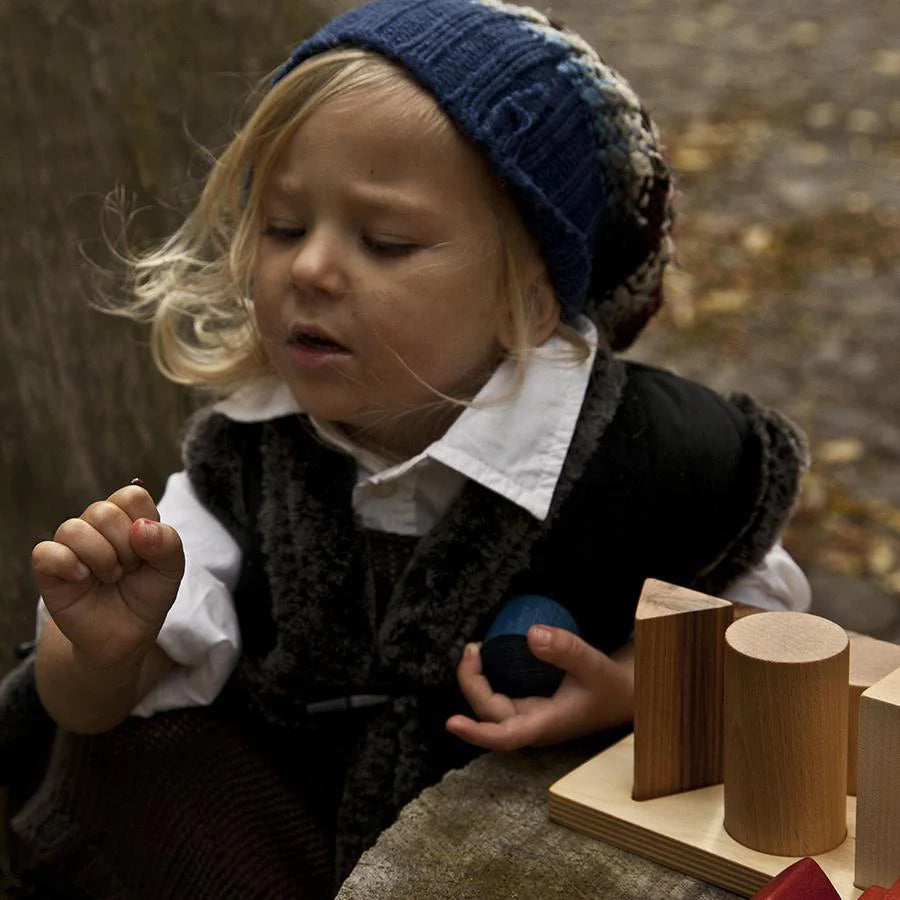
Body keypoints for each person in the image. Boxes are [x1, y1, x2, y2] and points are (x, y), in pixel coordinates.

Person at [12, 0, 811, 895]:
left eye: (385, 241)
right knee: (127, 760)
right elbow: (88, 708)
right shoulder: (243, 462)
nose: (309, 268)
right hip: (294, 836)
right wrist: (104, 654)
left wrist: (631, 689)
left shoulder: (656, 455)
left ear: (528, 302)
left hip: (532, 852)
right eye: (282, 227)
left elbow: (775, 636)